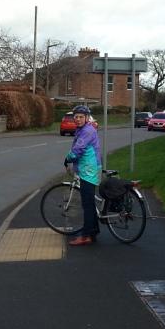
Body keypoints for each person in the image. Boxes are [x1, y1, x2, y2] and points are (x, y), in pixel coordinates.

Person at [63, 105, 101, 245]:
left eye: (81, 117)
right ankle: (92, 231)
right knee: (89, 203)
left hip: (88, 171)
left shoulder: (87, 131)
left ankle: (86, 236)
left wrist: (67, 158)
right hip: (88, 169)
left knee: (88, 204)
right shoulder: (84, 129)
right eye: (76, 117)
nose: (78, 119)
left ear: (86, 118)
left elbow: (77, 150)